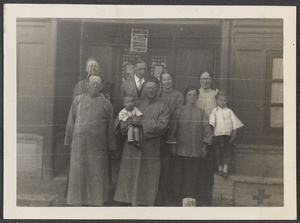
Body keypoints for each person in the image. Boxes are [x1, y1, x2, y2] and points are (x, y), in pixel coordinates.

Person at [114, 76, 169, 206]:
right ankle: (128, 201)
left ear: (158, 90)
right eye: (148, 88)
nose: (150, 90)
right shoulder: (137, 104)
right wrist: (125, 125)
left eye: (153, 88)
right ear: (145, 89)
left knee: (148, 174)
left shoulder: (163, 107)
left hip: (151, 147)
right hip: (133, 146)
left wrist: (141, 122)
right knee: (130, 173)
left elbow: (163, 125)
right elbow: (123, 120)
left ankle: (145, 202)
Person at [64, 74, 117, 206]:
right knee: (79, 172)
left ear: (101, 86)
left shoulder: (106, 103)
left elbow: (110, 126)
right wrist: (68, 141)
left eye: (98, 84)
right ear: (87, 85)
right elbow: (71, 121)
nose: (95, 86)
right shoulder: (78, 100)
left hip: (98, 145)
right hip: (78, 144)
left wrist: (112, 146)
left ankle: (96, 200)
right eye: (92, 83)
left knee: (96, 173)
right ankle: (76, 200)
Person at [166, 85, 213, 206]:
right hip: (180, 151)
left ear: (197, 97)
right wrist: (173, 146)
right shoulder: (179, 111)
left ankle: (191, 202)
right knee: (178, 177)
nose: (192, 97)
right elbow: (172, 131)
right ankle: (177, 201)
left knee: (192, 177)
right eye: (189, 95)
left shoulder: (201, 113)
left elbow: (207, 131)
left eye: (194, 95)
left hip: (196, 152)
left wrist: (204, 146)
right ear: (185, 96)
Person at [156, 70, 184, 205]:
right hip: (157, 134)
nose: (167, 82)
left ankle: (168, 195)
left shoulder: (178, 95)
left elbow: (178, 116)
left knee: (169, 167)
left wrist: (172, 136)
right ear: (161, 81)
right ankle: (157, 193)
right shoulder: (157, 94)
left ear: (172, 80)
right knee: (158, 165)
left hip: (172, 134)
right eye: (164, 80)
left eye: (169, 79)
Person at [195, 68, 217, 206]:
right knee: (198, 163)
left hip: (212, 130)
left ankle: (207, 194)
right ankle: (197, 193)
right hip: (197, 131)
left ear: (211, 80)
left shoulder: (216, 94)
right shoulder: (195, 94)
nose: (205, 81)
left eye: (207, 78)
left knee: (209, 163)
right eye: (203, 78)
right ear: (199, 80)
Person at [209, 91, 244, 178]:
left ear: (227, 101)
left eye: (224, 100)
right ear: (216, 100)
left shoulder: (229, 111)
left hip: (227, 136)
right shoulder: (215, 111)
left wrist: (234, 134)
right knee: (218, 152)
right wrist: (210, 135)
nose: (222, 102)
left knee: (227, 152)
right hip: (217, 136)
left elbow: (235, 123)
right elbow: (212, 123)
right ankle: (220, 168)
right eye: (220, 100)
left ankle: (225, 169)